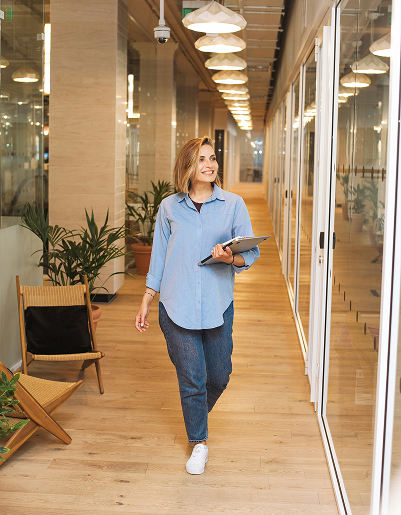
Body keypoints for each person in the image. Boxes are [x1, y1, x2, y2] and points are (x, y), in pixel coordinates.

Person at [135, 136, 260, 474]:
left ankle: (195, 417)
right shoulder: (169, 207)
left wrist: (230, 256)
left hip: (219, 305)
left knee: (219, 377)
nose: (210, 164)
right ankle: (199, 443)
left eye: (213, 158)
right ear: (187, 167)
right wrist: (148, 298)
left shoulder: (233, 204)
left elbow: (251, 253)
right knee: (193, 378)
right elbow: (159, 256)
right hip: (176, 305)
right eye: (201, 159)